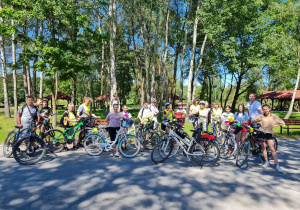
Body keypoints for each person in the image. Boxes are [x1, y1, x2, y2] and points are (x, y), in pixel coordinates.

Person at [252, 104, 285, 173]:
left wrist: (275, 125)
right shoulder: (261, 116)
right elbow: (253, 119)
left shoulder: (273, 116)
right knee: (263, 148)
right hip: (262, 132)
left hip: (269, 133)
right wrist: (259, 122)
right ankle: (266, 162)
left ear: (269, 109)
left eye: (266, 109)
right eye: (263, 109)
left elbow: (282, 123)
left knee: (272, 149)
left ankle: (277, 165)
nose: (265, 110)